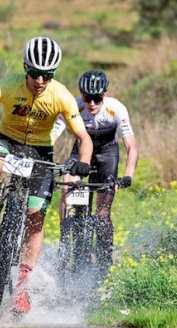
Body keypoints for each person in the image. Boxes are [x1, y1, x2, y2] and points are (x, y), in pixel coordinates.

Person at [0, 36, 93, 314]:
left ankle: (23, 286)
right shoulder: (7, 86)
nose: (40, 80)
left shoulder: (60, 95)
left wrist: (83, 162)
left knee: (36, 217)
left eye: (47, 75)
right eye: (35, 73)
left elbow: (83, 137)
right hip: (7, 140)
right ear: (25, 67)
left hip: (40, 151)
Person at [52, 69, 139, 281]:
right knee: (67, 186)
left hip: (107, 155)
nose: (91, 103)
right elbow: (52, 135)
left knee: (101, 213)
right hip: (81, 152)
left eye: (97, 98)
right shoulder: (74, 106)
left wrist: (127, 175)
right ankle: (66, 241)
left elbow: (132, 147)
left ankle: (104, 258)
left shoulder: (116, 109)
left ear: (105, 95)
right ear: (81, 96)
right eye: (87, 98)